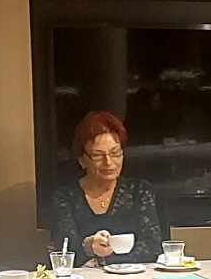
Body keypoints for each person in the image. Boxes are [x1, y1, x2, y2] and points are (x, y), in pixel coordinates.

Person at [41, 110, 164, 266]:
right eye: (98, 155)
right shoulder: (65, 197)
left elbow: (152, 247)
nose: (109, 162)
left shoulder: (139, 191)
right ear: (82, 160)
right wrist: (88, 246)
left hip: (133, 278)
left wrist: (104, 259)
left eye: (115, 153)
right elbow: (63, 250)